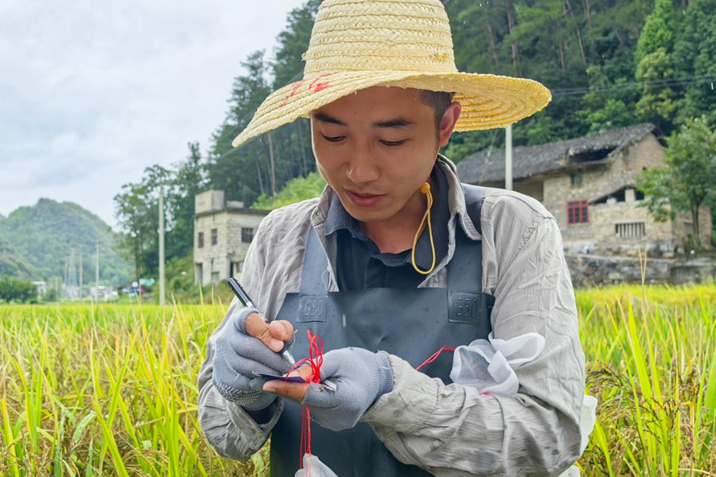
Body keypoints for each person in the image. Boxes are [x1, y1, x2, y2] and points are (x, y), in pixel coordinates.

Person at [197, 0, 586, 475]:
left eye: (392, 140)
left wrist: (390, 391)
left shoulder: (512, 230)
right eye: (332, 136)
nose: (359, 171)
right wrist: (244, 392)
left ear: (445, 126)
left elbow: (549, 436)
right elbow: (224, 435)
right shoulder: (282, 236)